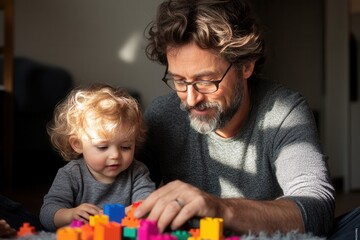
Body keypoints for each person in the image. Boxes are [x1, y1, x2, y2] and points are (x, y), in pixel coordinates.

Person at [133, 0, 339, 237]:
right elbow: (118, 186)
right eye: (179, 81)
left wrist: (220, 208)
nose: (190, 100)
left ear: (246, 66)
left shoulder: (284, 113)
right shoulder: (162, 116)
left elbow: (317, 207)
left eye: (206, 81)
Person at [40, 83, 155, 231]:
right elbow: (47, 213)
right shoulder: (71, 174)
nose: (115, 155)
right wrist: (70, 215)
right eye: (102, 147)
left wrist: (115, 216)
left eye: (125, 147)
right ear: (77, 144)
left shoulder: (137, 172)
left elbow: (149, 205)